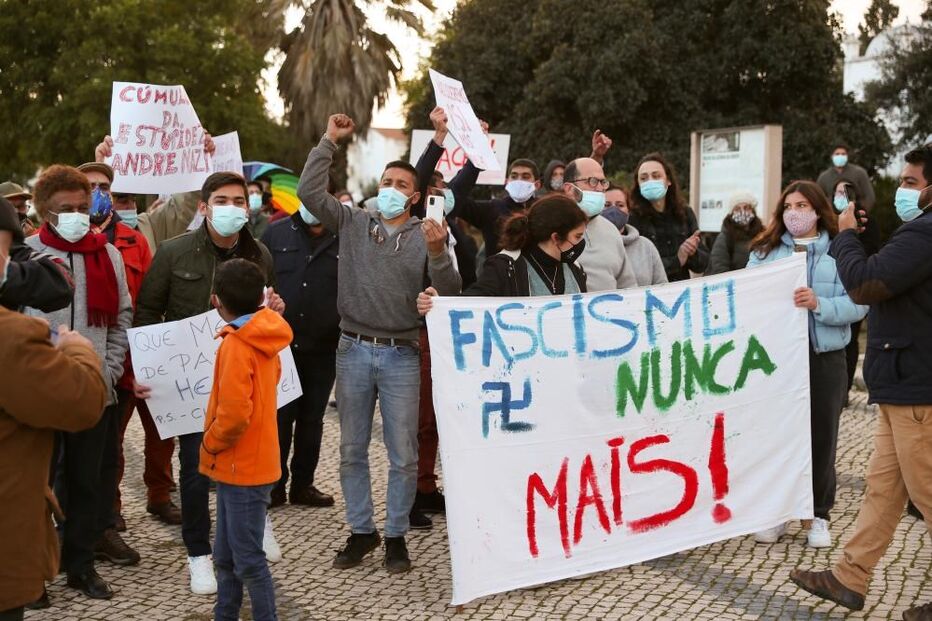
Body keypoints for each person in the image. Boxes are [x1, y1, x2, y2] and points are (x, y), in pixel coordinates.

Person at [296, 113, 461, 574]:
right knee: (351, 448)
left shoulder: (428, 234)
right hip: (351, 349)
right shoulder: (353, 222)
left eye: (400, 183)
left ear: (414, 195)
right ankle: (362, 530)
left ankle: (395, 536)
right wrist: (328, 139)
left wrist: (436, 253)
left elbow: (451, 290)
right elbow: (309, 194)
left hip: (402, 354)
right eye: (385, 179)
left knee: (403, 452)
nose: (390, 187)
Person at [788, 145, 932, 620]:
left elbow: (865, 284)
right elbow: (889, 273)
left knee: (927, 492)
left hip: (917, 388)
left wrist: (847, 238)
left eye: (911, 182)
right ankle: (850, 576)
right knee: (882, 489)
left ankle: (850, 574)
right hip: (902, 384)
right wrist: (865, 244)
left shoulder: (927, 233)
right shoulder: (918, 235)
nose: (902, 190)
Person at [134, 171, 285, 595]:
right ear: (203, 207)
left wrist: (276, 307)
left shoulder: (261, 255)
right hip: (191, 386)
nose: (232, 208)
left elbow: (269, 310)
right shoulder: (172, 253)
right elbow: (147, 312)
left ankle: (255, 526)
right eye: (222, 200)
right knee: (197, 470)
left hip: (249, 376)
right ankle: (198, 555)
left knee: (254, 456)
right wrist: (145, 369)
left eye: (240, 200)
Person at [23, 165, 134, 601]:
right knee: (36, 484)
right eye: (64, 209)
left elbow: (123, 315)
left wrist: (108, 368)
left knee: (89, 483)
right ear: (45, 212)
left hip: (93, 390)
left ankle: (80, 564)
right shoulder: (26, 255)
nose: (75, 215)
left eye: (81, 208)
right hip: (39, 393)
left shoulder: (107, 255)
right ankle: (32, 570)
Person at [746, 180, 867, 549]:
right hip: (778, 360)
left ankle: (817, 514)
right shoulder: (765, 252)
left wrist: (820, 305)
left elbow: (859, 302)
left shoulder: (841, 251)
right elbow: (749, 298)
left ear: (817, 210)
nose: (794, 212)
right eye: (788, 206)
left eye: (802, 205)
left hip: (825, 357)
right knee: (779, 434)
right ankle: (777, 512)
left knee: (822, 436)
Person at [76, 162, 180, 535]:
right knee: (110, 445)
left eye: (106, 186)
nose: (100, 193)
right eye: (91, 187)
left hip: (146, 352)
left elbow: (152, 297)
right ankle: (112, 507)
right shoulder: (71, 242)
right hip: (106, 360)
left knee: (162, 435)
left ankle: (160, 495)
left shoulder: (135, 241)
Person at [0, 308, 107, 621]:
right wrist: (77, 349)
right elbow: (83, 401)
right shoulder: (12, 334)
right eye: (6, 256)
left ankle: (77, 562)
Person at [200, 259, 292, 621]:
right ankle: (225, 614)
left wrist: (209, 444)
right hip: (249, 463)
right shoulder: (263, 334)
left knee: (248, 559)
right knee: (225, 555)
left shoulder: (236, 345)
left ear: (215, 301)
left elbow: (235, 414)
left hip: (240, 465)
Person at [408, 107, 480, 530]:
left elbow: (468, 286)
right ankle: (411, 495)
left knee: (436, 419)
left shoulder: (461, 239)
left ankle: (426, 487)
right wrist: (440, 138)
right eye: (431, 189)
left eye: (444, 191)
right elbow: (420, 176)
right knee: (416, 421)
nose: (438, 195)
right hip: (417, 333)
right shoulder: (417, 229)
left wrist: (474, 146)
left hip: (450, 337)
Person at [261, 203, 340, 510]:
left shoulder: (344, 237)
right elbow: (259, 279)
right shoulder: (276, 233)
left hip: (324, 345)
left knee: (312, 419)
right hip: (281, 345)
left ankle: (303, 485)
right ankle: (274, 485)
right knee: (279, 419)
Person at [419, 194, 588, 300]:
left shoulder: (576, 269)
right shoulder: (505, 267)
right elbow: (469, 305)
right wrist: (439, 305)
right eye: (577, 236)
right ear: (556, 237)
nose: (580, 243)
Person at [94, 134, 216, 254]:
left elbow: (183, 205)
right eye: (123, 200)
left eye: (134, 199)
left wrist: (198, 160)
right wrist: (99, 172)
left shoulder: (149, 226)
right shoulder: (90, 231)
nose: (131, 206)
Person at [560, 157, 637, 290]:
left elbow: (627, 284)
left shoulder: (611, 230)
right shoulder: (550, 225)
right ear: (569, 189)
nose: (600, 188)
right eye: (593, 181)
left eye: (603, 182)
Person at [628, 153, 709, 281]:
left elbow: (703, 264)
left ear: (668, 180)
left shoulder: (685, 213)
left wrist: (692, 253)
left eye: (656, 176)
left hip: (682, 292)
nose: (650, 181)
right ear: (638, 184)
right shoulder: (633, 219)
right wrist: (677, 260)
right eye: (644, 178)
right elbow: (637, 267)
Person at [448, 155, 542, 255]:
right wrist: (472, 166)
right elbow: (452, 200)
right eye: (514, 176)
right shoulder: (491, 209)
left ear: (537, 185)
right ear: (507, 182)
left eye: (525, 177)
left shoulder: (544, 210)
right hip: (498, 269)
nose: (519, 180)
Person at [0, 197, 74, 313]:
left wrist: (6, 272)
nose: (18, 212)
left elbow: (64, 282)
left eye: (20, 207)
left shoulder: (18, 253)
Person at [603, 185, 666, 286]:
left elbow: (662, 287)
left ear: (628, 210)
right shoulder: (587, 244)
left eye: (620, 205)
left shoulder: (646, 247)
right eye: (607, 205)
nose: (614, 210)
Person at [706, 190, 764, 275]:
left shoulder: (762, 233)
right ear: (732, 213)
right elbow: (720, 267)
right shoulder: (725, 237)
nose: (742, 212)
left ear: (753, 210)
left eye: (746, 207)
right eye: (737, 209)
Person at [816, 142, 876, 211]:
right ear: (832, 156)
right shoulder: (824, 177)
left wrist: (860, 213)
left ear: (847, 156)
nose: (840, 156)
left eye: (843, 154)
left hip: (855, 216)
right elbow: (818, 199)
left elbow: (870, 197)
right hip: (832, 218)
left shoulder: (859, 173)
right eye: (837, 154)